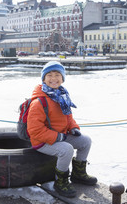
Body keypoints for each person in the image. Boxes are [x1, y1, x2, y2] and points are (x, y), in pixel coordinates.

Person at [27, 61, 97, 198]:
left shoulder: (62, 95)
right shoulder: (39, 101)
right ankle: (61, 181)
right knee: (66, 149)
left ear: (62, 78)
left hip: (60, 135)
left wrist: (74, 128)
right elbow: (34, 130)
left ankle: (78, 174)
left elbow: (68, 118)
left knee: (85, 141)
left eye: (57, 74)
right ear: (44, 79)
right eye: (50, 75)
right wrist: (57, 137)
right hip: (41, 141)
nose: (54, 78)